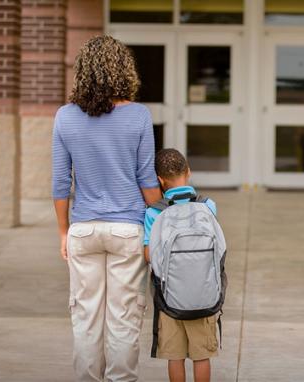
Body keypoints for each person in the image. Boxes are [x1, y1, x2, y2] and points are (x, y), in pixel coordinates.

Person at [52, 35, 162, 381]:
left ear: (82, 71)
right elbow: (146, 181)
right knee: (124, 318)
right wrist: (164, 215)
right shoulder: (139, 116)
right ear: (123, 70)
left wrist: (63, 232)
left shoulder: (64, 117)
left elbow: (59, 183)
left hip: (83, 229)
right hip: (127, 229)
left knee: (85, 318)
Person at [143, 149, 218, 382]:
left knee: (175, 356)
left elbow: (148, 255)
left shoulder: (154, 212)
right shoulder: (208, 206)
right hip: (204, 295)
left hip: (170, 298)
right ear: (188, 172)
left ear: (159, 180)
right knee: (201, 355)